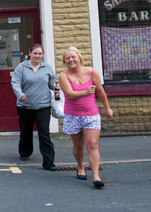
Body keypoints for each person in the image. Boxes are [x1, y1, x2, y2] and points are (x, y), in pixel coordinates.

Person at [58, 46, 113, 189]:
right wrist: (86, 91)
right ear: (65, 61)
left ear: (79, 57)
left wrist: (107, 108)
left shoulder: (92, 72)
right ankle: (80, 166)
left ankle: (96, 176)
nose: (71, 60)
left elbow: (101, 92)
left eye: (73, 57)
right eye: (68, 58)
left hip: (91, 114)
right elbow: (69, 94)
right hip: (72, 115)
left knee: (93, 144)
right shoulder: (64, 76)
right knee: (78, 146)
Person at [11, 43, 57, 171]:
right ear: (30, 53)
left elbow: (52, 82)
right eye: (35, 53)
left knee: (44, 134)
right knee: (26, 131)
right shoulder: (21, 67)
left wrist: (56, 86)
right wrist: (20, 95)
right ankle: (25, 152)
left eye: (40, 54)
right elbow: (15, 83)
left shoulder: (47, 68)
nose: (37, 56)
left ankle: (48, 162)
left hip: (43, 105)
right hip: (25, 106)